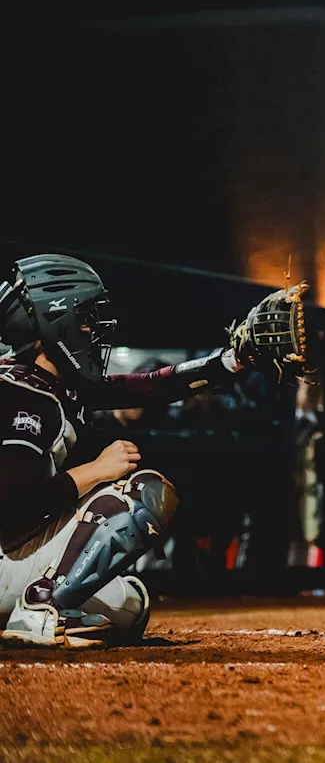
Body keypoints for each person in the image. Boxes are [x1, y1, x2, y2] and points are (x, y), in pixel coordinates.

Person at [0, 254, 294, 647]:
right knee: (142, 496)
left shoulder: (42, 383)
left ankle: (40, 602)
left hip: (8, 555)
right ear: (55, 323)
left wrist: (233, 360)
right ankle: (38, 608)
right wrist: (96, 470)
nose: (92, 331)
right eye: (84, 319)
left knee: (129, 604)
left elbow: (151, 386)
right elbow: (10, 509)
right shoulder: (23, 395)